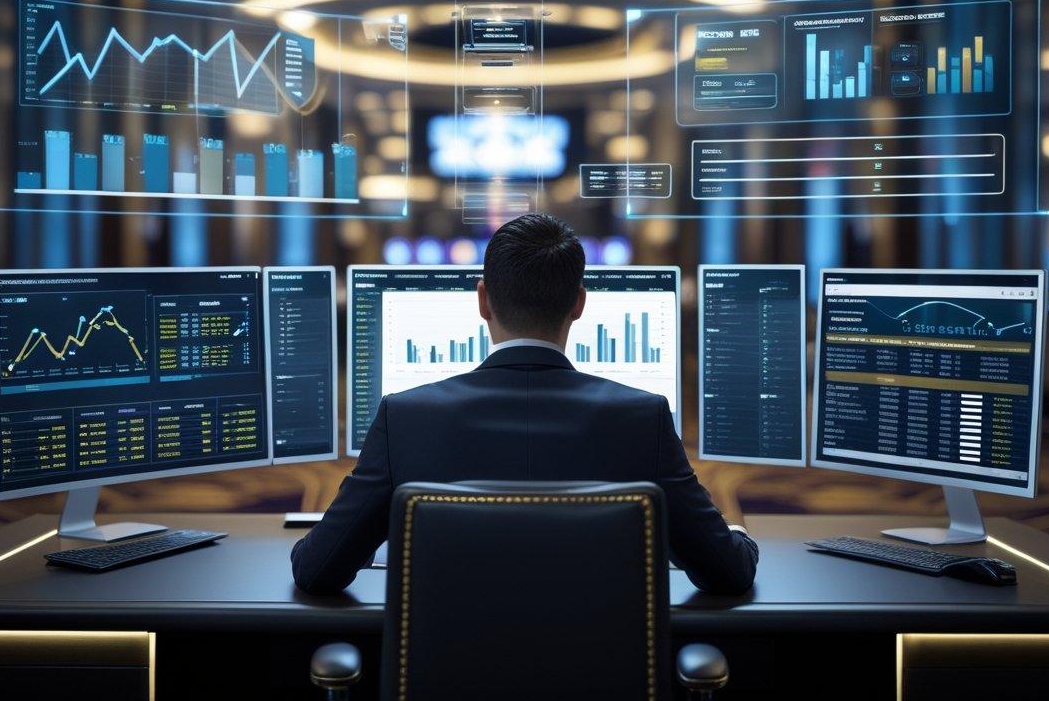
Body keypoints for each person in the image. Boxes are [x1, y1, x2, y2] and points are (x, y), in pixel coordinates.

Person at [291, 212, 759, 594]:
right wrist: (738, 536)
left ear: (483, 301)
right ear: (579, 303)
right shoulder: (644, 418)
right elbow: (727, 572)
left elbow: (317, 571)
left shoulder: (404, 417)